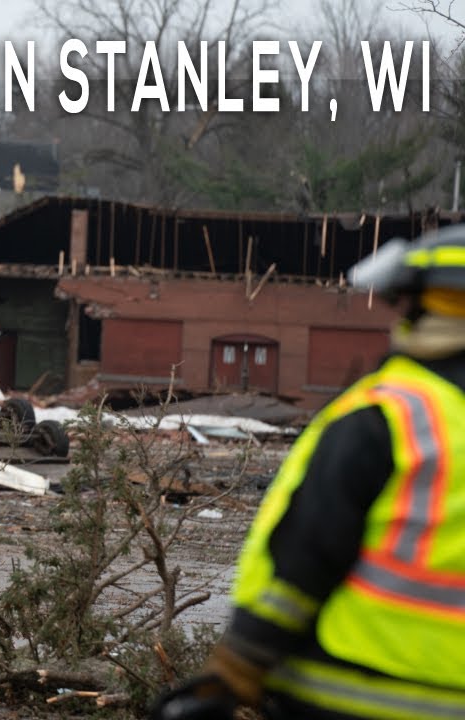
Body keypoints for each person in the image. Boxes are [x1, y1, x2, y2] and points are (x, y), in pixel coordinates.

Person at [152, 227, 465, 719]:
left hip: (348, 693)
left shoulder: (395, 416)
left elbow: (306, 555)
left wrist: (236, 667)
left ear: (425, 308)